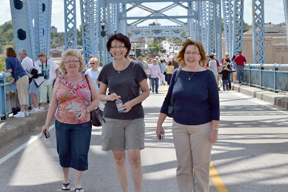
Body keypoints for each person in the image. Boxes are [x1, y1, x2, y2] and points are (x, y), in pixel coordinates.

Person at [157, 39, 219, 192]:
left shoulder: (208, 76)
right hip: (179, 126)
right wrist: (159, 124)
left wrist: (215, 129)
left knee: (201, 166)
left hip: (202, 127)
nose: (191, 56)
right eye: (188, 53)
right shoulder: (178, 73)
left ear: (200, 56)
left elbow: (215, 105)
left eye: (194, 53)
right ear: (183, 55)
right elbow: (168, 99)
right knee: (183, 166)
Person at [41, 49, 99, 192]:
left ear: (80, 63)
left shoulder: (87, 78)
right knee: (64, 152)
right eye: (68, 61)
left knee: (80, 153)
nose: (72, 63)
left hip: (82, 124)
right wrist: (47, 124)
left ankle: (78, 184)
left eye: (75, 61)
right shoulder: (60, 79)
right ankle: (66, 181)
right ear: (64, 65)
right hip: (62, 123)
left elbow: (96, 100)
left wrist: (86, 110)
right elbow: (54, 103)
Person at [97, 33, 149, 192]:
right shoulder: (106, 69)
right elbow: (100, 95)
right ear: (110, 50)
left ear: (127, 48)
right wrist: (109, 97)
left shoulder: (136, 66)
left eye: (121, 46)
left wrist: (132, 103)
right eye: (114, 46)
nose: (117, 49)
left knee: (135, 157)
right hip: (112, 117)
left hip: (134, 117)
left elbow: (146, 91)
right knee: (119, 158)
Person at [4, 47, 29, 117]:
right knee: (25, 93)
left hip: (19, 77)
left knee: (21, 94)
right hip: (25, 76)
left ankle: (22, 112)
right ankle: (26, 111)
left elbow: (10, 70)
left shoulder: (8, 59)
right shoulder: (16, 59)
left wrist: (5, 70)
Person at [19, 49, 42, 113]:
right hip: (39, 76)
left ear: (23, 54)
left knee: (31, 93)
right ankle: (37, 108)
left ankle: (35, 108)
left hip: (35, 77)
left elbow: (21, 70)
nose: (18, 55)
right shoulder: (29, 59)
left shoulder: (24, 61)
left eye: (19, 53)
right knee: (35, 93)